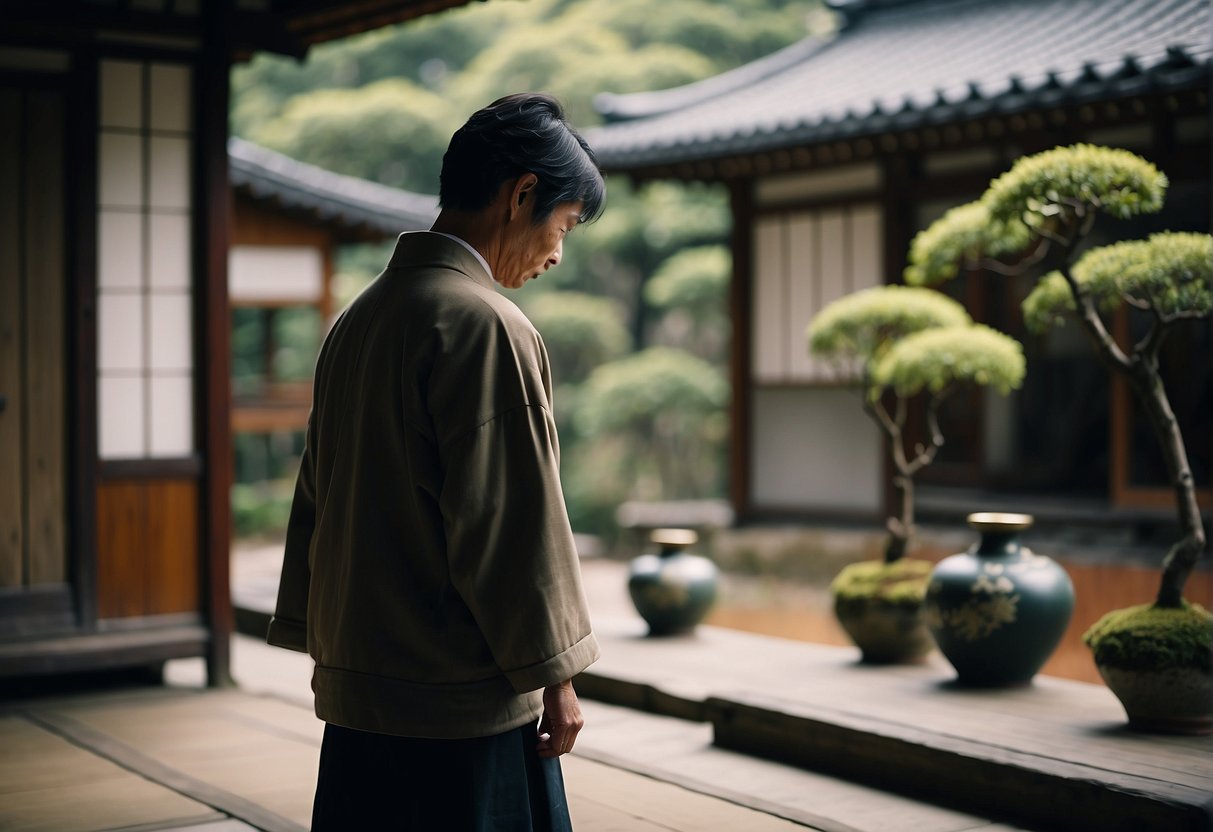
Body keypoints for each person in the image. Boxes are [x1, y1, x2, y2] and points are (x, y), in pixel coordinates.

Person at [267, 92, 606, 831]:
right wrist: (556, 677)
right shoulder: (483, 324)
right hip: (458, 706)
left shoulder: (358, 320)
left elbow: (316, 501)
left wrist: (318, 634)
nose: (555, 254)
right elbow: (512, 530)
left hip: (362, 695)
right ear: (521, 195)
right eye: (564, 225)